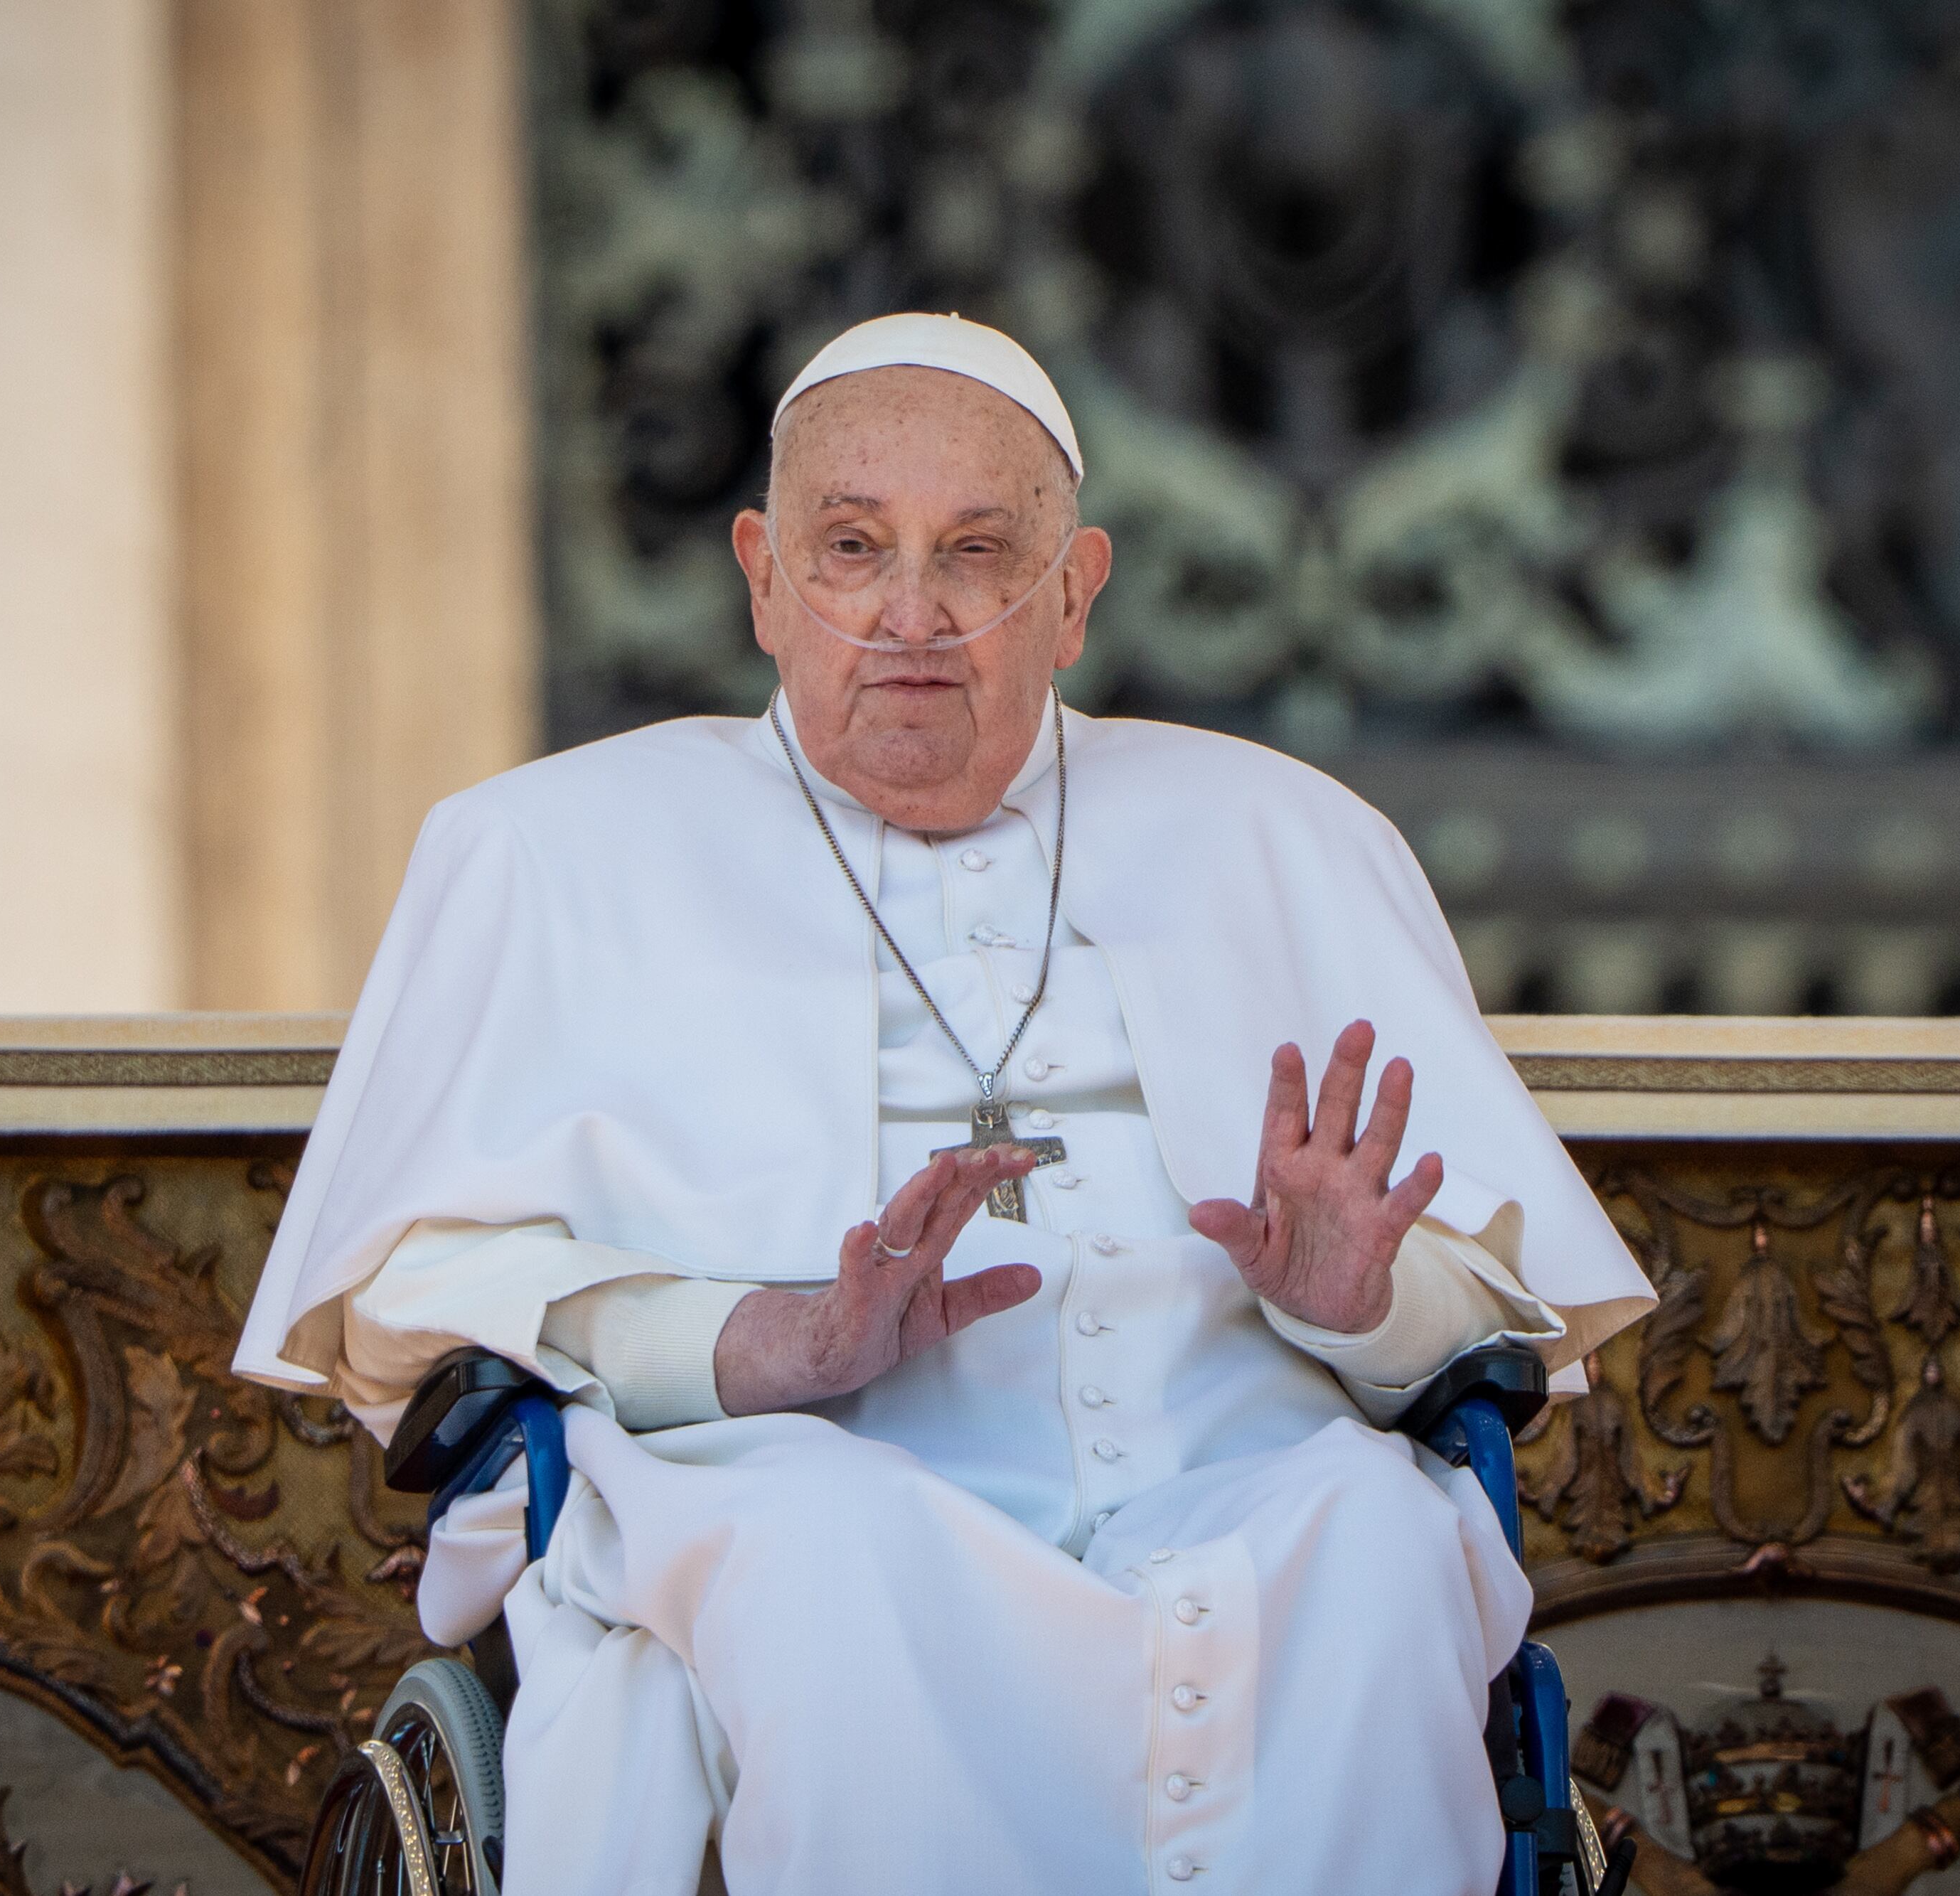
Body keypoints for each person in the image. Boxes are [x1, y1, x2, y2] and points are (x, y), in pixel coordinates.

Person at [234, 314, 1654, 1895]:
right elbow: (411, 1304)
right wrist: (760, 1343)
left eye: (977, 553)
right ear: (762, 575)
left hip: (1248, 1481)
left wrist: (1363, 1304)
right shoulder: (542, 850)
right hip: (793, 1479)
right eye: (852, 549)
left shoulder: (1287, 835)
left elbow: (1493, 1325)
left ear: (1076, 594)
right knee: (828, 1559)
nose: (910, 615)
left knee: (1376, 1542)